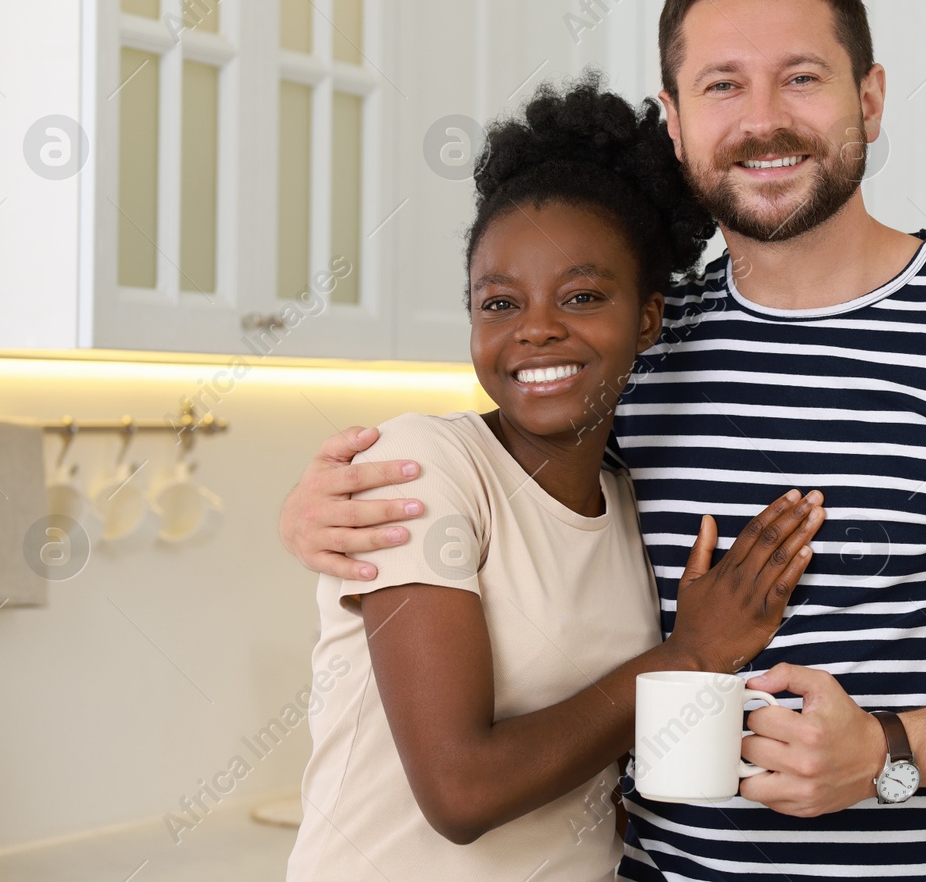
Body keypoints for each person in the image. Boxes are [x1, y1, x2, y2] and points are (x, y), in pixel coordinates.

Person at [281, 0, 926, 881]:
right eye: (722, 86)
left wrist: (890, 750)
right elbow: (511, 503)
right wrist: (321, 508)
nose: (764, 121)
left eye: (801, 78)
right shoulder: (639, 346)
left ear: (868, 100)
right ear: (674, 123)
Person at [285, 74, 830, 881]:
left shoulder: (625, 508)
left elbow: (596, 762)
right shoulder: (426, 467)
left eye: (581, 295)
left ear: (648, 316)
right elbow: (460, 791)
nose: (537, 328)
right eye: (498, 303)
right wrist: (687, 657)